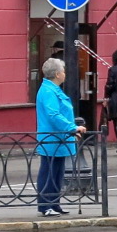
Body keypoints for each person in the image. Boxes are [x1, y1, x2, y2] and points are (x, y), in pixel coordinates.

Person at [35, 57, 84, 217]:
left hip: (59, 139)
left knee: (57, 172)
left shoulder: (53, 89)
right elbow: (53, 115)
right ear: (57, 74)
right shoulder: (49, 91)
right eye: (63, 71)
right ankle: (45, 205)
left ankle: (54, 204)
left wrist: (71, 131)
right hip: (52, 139)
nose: (65, 74)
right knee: (49, 172)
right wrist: (73, 128)